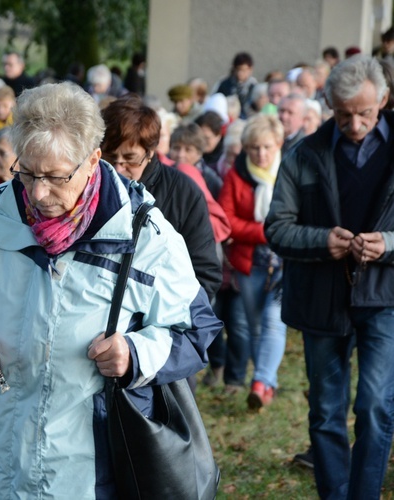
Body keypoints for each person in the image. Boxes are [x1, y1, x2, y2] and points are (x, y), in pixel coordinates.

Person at [0, 81, 222, 497]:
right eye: (27, 172)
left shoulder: (146, 236)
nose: (38, 192)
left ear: (93, 160)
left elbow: (197, 330)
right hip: (1, 469)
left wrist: (135, 354)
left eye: (54, 177)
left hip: (92, 476)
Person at [265, 55, 394, 499]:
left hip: (385, 295)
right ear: (328, 103)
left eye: (365, 113)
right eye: (344, 114)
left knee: (376, 407)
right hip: (321, 296)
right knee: (325, 411)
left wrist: (389, 244)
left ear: (384, 100)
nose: (355, 124)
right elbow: (276, 226)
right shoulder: (304, 153)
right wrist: (323, 241)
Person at [101, 94, 222, 301]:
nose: (119, 169)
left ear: (150, 152)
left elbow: (205, 276)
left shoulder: (183, 192)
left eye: (130, 159)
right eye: (110, 158)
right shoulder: (89, 186)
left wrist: (161, 327)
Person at [218, 114, 286, 409]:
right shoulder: (237, 174)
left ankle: (260, 380)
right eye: (254, 148)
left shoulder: (288, 170)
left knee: (274, 322)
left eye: (267, 147)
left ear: (278, 144)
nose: (261, 154)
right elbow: (226, 220)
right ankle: (266, 384)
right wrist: (264, 231)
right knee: (257, 325)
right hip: (250, 263)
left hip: (285, 263)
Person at [214, 52, 258, 118]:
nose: (240, 73)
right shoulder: (225, 84)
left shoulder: (254, 86)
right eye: (238, 69)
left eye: (243, 70)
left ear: (250, 69)